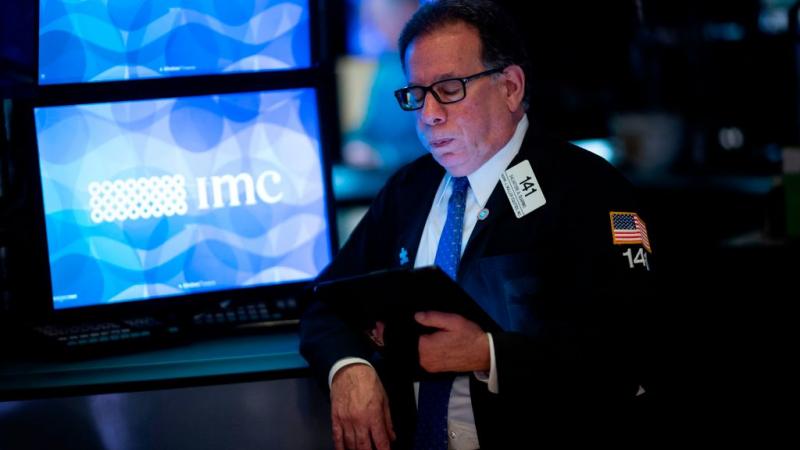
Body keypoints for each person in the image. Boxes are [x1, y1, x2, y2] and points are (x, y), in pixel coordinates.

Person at [300, 1, 656, 448]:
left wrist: (488, 355)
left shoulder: (589, 190)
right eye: (416, 94)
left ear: (510, 87)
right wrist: (349, 367)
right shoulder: (409, 190)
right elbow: (324, 301)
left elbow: (628, 352)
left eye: (448, 89)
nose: (428, 114)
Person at [341, 0, 426, 170]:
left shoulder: (425, 65)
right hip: (377, 170)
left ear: (409, 12)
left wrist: (382, 156)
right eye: (374, 20)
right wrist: (354, 142)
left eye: (381, 19)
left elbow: (434, 142)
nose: (377, 28)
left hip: (409, 172)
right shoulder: (386, 62)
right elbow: (370, 127)